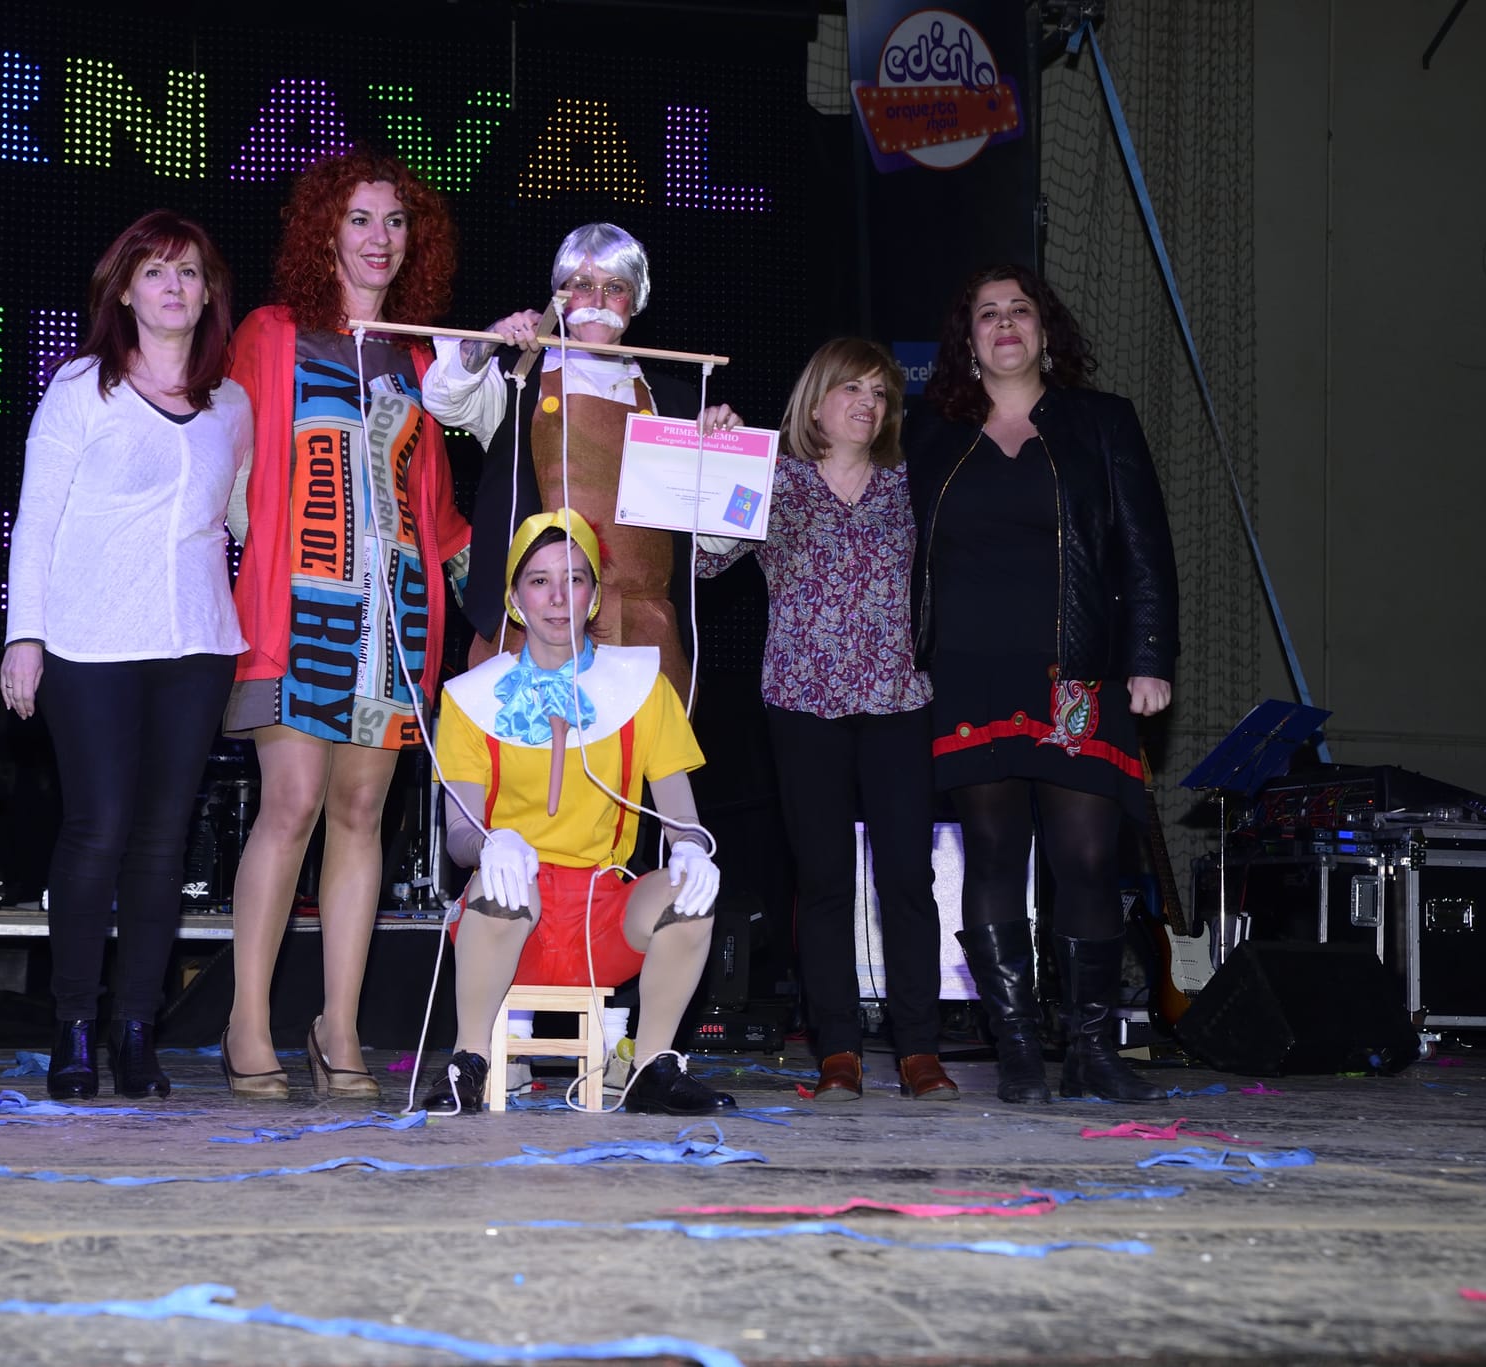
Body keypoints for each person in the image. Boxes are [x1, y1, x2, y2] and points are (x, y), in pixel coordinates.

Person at [219, 153, 473, 1099]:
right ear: (325, 229)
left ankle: (338, 1025)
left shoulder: (422, 359)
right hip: (295, 609)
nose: (380, 237)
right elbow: (228, 465)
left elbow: (437, 513)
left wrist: (509, 602)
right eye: (361, 218)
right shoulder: (273, 333)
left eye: (396, 221)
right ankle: (247, 1022)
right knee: (290, 805)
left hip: (392, 617)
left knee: (362, 814)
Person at [906, 264, 1178, 1105]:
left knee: (1087, 857)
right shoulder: (930, 432)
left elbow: (1145, 547)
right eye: (987, 313)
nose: (1005, 323)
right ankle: (1018, 1048)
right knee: (992, 852)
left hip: (1078, 672)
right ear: (968, 341)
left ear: (1045, 331)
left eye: (1020, 310)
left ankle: (1091, 1048)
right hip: (969, 671)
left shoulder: (1102, 421)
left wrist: (1150, 656)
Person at [1, 210, 250, 1101]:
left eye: (189, 272)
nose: (173, 286)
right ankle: (74, 1025)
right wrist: (23, 635)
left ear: (209, 293)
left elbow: (244, 520)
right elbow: (36, 520)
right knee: (98, 826)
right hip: (90, 639)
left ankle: (137, 1030)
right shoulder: (82, 386)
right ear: (125, 291)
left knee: (162, 839)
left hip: (196, 643)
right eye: (155, 271)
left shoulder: (233, 404)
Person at [697, 338, 955, 1102]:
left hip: (898, 700)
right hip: (802, 702)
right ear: (815, 402)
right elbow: (706, 562)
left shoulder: (911, 481)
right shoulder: (773, 478)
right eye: (853, 389)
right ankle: (837, 1047)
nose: (869, 404)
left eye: (880, 393)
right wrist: (713, 457)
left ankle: (919, 1048)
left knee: (909, 878)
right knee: (823, 881)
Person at [435, 509, 734, 1115]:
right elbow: (459, 835)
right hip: (510, 919)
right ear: (515, 599)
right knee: (505, 886)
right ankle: (470, 1062)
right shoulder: (470, 699)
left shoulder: (642, 688)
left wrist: (691, 851)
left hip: (604, 919)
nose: (556, 598)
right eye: (538, 581)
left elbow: (682, 818)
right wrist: (493, 843)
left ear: (594, 595)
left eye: (573, 579)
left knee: (691, 895)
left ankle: (652, 1066)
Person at [421, 222, 738, 703]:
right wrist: (490, 339)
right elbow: (443, 397)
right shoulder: (518, 380)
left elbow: (718, 539)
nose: (598, 300)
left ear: (636, 300)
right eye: (582, 285)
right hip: (534, 627)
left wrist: (724, 456)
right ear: (559, 298)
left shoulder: (674, 404)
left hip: (641, 634)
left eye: (615, 288)